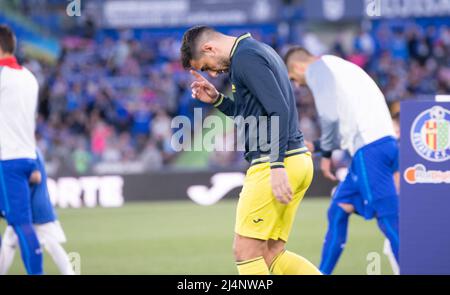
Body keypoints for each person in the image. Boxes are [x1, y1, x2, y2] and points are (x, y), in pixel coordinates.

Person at [180, 26, 321, 275]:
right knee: (271, 254)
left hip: (275, 161)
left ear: (209, 48)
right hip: (295, 159)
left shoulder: (246, 57)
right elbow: (253, 116)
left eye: (206, 66)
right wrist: (217, 101)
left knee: (245, 252)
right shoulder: (255, 51)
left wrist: (276, 165)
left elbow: (279, 110)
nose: (212, 73)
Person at [284, 47, 399, 275]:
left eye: (293, 79)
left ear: (298, 67)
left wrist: (325, 155)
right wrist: (317, 147)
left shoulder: (318, 69)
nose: (297, 85)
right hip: (377, 146)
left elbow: (330, 117)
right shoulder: (337, 67)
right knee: (338, 209)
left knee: (389, 221)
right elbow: (347, 124)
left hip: (370, 151)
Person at [0, 25, 43, 275]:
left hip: (8, 160)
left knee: (21, 224)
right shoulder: (29, 77)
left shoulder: (3, 77)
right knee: (19, 222)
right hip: (25, 155)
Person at [0, 149, 75, 275]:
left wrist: (12, 180)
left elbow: (36, 177)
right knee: (10, 244)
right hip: (31, 206)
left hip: (34, 207)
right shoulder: (27, 149)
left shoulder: (25, 152)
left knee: (51, 245)